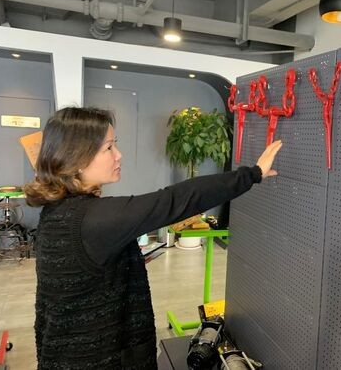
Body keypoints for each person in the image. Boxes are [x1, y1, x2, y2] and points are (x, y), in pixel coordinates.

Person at [23, 107, 282, 370]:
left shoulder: (58, 211)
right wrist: (253, 174)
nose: (119, 155)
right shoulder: (91, 219)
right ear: (77, 158)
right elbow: (173, 201)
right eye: (109, 148)